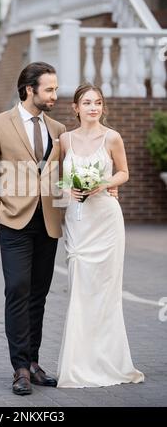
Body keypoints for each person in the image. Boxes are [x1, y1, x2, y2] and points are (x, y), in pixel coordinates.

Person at [0, 62, 66, 395]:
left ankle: (35, 363)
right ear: (30, 89)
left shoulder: (58, 129)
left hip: (49, 222)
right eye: (50, 89)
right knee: (17, 289)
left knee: (38, 295)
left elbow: (62, 175)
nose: (55, 94)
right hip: (13, 220)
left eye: (55, 88)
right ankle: (20, 368)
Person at [57, 83, 145, 388]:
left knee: (105, 292)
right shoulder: (64, 140)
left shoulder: (112, 137)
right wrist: (70, 188)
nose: (93, 107)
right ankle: (78, 364)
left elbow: (124, 172)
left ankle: (110, 362)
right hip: (78, 221)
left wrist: (105, 182)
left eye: (98, 102)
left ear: (102, 107)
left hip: (106, 219)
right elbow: (55, 179)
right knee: (80, 287)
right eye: (87, 102)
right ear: (75, 108)